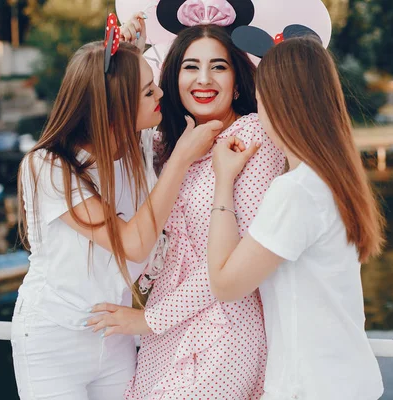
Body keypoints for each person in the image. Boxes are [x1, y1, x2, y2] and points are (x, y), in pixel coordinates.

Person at [11, 35, 223, 400]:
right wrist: (182, 159)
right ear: (113, 107)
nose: (160, 95)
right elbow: (133, 244)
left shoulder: (138, 146)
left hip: (115, 335)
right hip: (54, 339)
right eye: (147, 92)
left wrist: (133, 46)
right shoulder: (48, 167)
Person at [87, 17, 286, 399]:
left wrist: (147, 320)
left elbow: (234, 261)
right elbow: (107, 111)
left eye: (219, 67)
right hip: (163, 333)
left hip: (222, 329)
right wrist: (127, 52)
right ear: (171, 79)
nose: (204, 80)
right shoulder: (169, 144)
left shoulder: (253, 136)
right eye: (190, 67)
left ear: (238, 79)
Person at [207, 36, 386, 400]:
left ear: (279, 104)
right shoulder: (335, 177)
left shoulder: (296, 192)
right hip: (350, 379)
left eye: (260, 101)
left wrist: (223, 181)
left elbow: (225, 284)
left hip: (312, 387)